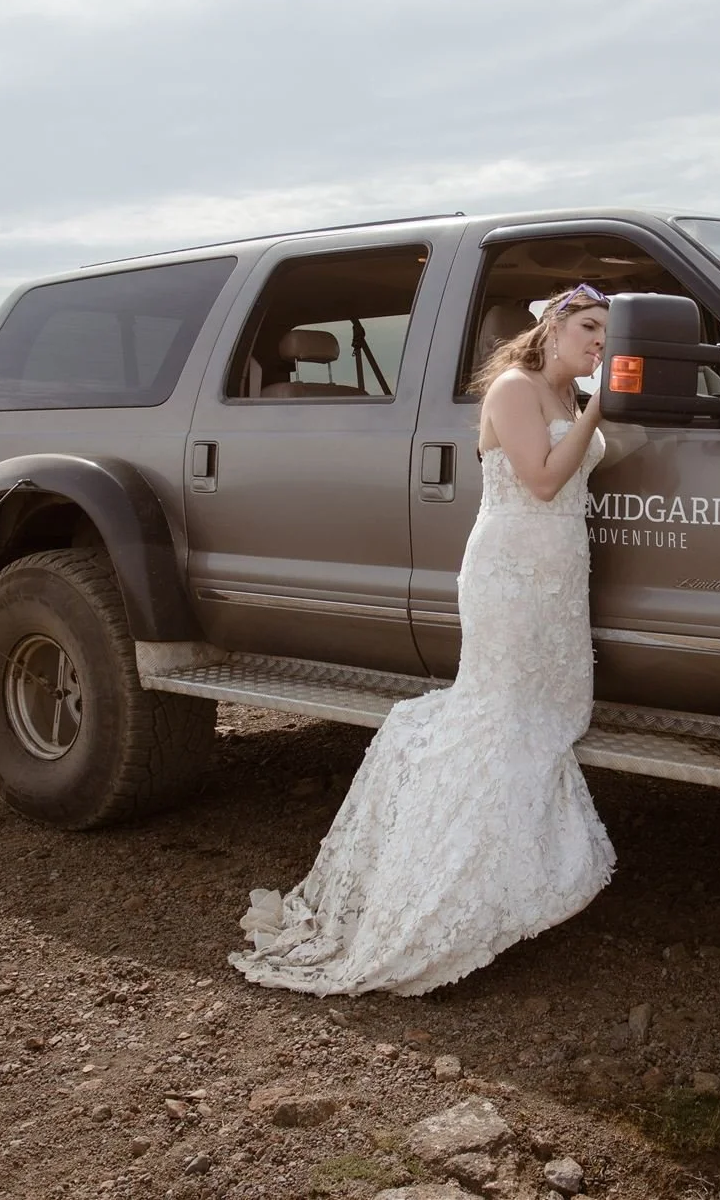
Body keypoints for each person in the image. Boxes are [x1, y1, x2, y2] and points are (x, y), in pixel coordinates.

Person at [230, 284, 617, 996]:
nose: (600, 340)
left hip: (559, 574)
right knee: (498, 718)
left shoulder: (567, 398)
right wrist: (606, 403)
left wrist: (597, 405)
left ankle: (508, 868)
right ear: (554, 327)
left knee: (543, 718)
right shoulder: (514, 388)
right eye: (590, 327)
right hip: (507, 572)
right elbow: (538, 481)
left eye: (607, 331)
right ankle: (448, 890)